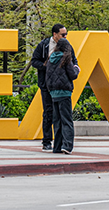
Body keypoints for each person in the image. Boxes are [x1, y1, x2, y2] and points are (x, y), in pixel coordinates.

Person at [29, 24, 75, 152]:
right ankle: (47, 141)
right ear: (54, 34)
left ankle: (59, 144)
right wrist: (47, 67)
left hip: (60, 85)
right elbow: (34, 61)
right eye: (62, 34)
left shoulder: (67, 46)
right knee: (49, 112)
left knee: (59, 116)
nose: (65, 36)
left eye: (66, 34)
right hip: (47, 84)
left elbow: (74, 61)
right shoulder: (43, 45)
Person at [45, 39, 80, 154]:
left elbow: (48, 77)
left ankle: (57, 147)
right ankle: (67, 146)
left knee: (57, 121)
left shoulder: (50, 59)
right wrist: (76, 69)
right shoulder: (66, 59)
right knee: (67, 120)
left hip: (54, 93)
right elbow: (73, 75)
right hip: (64, 93)